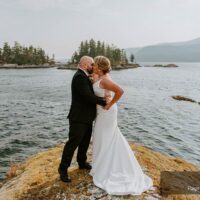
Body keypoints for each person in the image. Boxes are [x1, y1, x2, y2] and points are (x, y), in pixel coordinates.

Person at [89, 56, 153, 195]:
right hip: (102, 111)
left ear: (99, 67)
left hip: (107, 112)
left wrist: (110, 104)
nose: (92, 66)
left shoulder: (105, 79)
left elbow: (120, 91)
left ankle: (106, 167)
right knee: (101, 136)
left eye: (94, 64)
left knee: (105, 136)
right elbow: (97, 83)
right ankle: (100, 164)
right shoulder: (100, 76)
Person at [58, 56, 107, 182]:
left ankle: (81, 162)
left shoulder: (84, 76)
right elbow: (88, 96)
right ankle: (63, 169)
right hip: (78, 118)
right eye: (92, 64)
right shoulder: (79, 77)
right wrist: (104, 102)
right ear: (85, 65)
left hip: (86, 117)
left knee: (85, 141)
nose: (93, 66)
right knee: (72, 144)